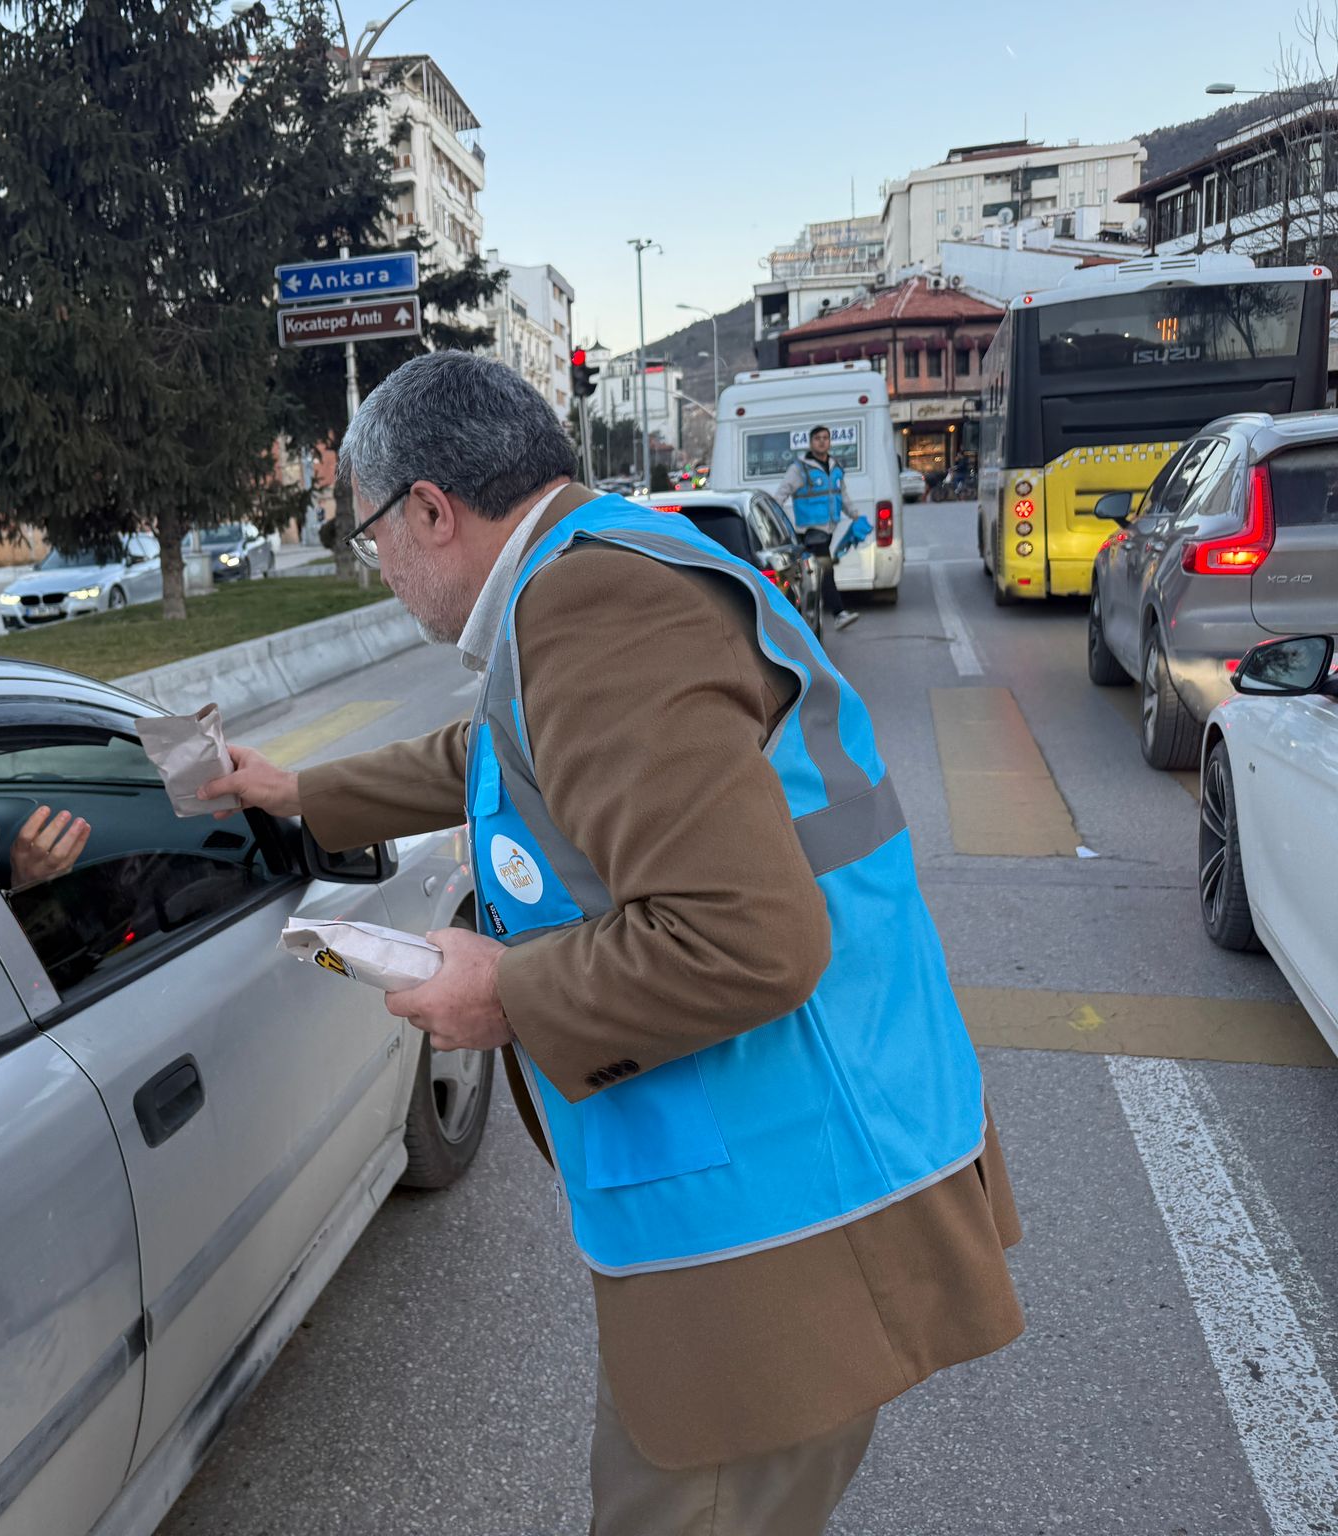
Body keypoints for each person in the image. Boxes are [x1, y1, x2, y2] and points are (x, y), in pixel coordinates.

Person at [199, 352, 1022, 1536]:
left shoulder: (586, 607)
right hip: (802, 1172)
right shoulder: (589, 571)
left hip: (778, 1223)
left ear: (430, 509)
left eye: (369, 533)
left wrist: (506, 995)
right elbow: (499, 754)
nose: (374, 568)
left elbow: (747, 940)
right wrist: (297, 792)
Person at [776, 425, 860, 630]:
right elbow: (780, 495)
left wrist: (856, 515)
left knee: (811, 573)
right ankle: (838, 613)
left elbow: (843, 496)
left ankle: (800, 614)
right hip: (811, 532)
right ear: (811, 443)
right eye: (817, 438)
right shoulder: (800, 468)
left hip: (828, 530)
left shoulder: (835, 466)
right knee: (825, 569)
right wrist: (783, 524)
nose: (822, 441)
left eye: (825, 438)